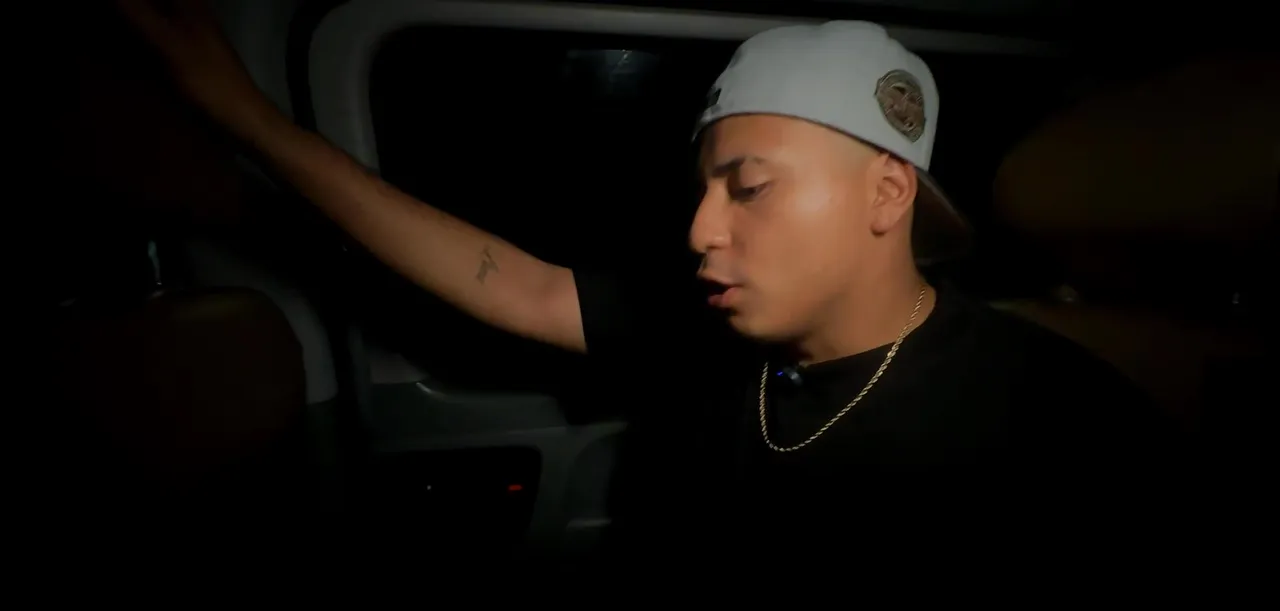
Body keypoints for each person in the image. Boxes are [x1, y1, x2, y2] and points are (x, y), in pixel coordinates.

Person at [116, 1, 1185, 574]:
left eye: (748, 187)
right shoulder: (712, 327)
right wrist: (248, 120)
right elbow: (517, 287)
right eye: (702, 189)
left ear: (885, 192)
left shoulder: (1062, 428)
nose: (699, 229)